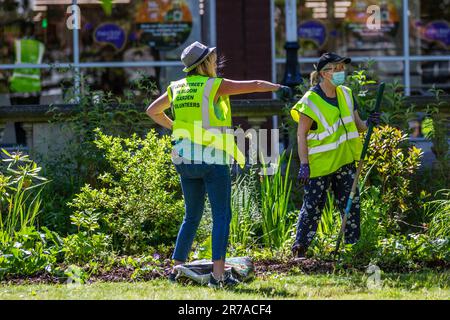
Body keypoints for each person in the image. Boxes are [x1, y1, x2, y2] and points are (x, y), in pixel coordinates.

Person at [146, 41, 290, 288]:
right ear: (204, 64)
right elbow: (254, 86)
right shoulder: (213, 86)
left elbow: (152, 111)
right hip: (212, 159)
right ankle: (218, 276)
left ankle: (175, 270)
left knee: (191, 216)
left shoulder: (176, 87)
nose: (216, 62)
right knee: (222, 215)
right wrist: (279, 87)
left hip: (184, 159)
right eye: (212, 59)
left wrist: (179, 128)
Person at [290, 52, 380, 259]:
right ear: (324, 73)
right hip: (319, 165)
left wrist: (370, 122)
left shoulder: (346, 93)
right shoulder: (310, 100)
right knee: (312, 208)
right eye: (336, 68)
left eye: (342, 68)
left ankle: (353, 248)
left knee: (351, 205)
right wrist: (304, 164)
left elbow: (359, 125)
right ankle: (299, 250)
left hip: (345, 162)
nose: (341, 72)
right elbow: (301, 134)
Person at [9, 21, 45, 146]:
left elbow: (10, 64)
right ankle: (33, 147)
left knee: (18, 120)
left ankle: (21, 148)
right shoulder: (40, 46)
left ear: (21, 31)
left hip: (17, 87)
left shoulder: (17, 45)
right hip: (34, 87)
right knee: (33, 119)